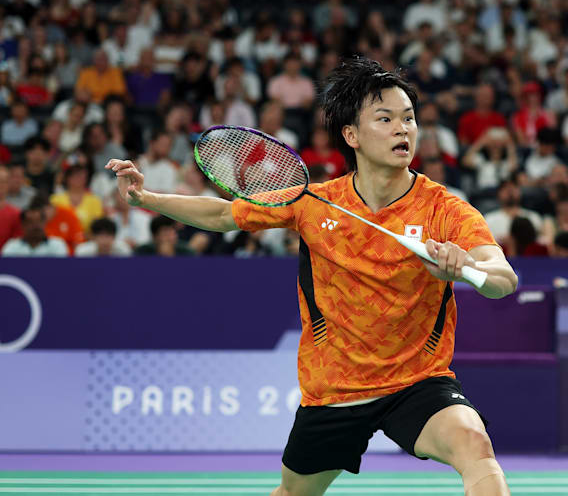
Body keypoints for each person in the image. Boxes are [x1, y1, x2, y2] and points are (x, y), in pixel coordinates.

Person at [106, 57, 517, 496]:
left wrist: (466, 268)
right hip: (334, 389)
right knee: (293, 493)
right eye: (386, 119)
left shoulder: (442, 209)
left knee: (474, 445)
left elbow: (503, 278)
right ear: (351, 136)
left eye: (409, 118)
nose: (403, 129)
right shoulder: (315, 201)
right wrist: (146, 198)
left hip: (417, 381)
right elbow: (225, 213)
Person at [1, 201, 69, 257]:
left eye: (39, 221)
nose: (36, 225)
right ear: (23, 225)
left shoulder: (57, 245)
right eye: (30, 221)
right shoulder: (12, 247)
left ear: (45, 222)